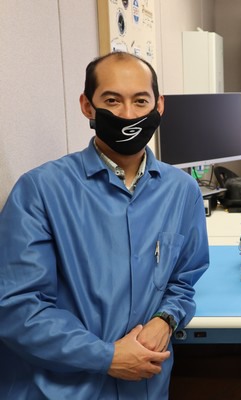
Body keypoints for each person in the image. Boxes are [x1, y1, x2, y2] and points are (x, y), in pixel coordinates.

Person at [0, 52, 210, 399]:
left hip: (144, 386)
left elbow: (182, 281)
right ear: (87, 106)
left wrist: (166, 318)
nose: (127, 114)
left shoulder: (181, 191)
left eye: (140, 101)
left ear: (158, 106)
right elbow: (18, 307)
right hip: (59, 389)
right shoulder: (40, 190)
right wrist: (107, 357)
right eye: (112, 100)